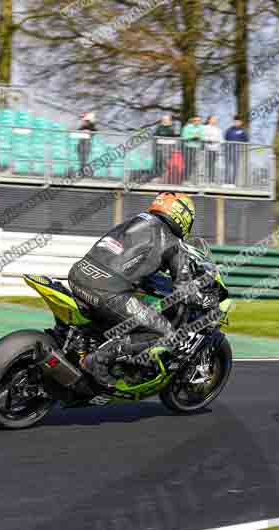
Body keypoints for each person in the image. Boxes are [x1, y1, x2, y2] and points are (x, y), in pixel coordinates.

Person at [68, 192, 203, 388]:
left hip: (79, 274)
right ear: (182, 216)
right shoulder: (174, 243)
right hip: (106, 292)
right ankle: (97, 361)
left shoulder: (136, 220)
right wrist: (201, 299)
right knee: (165, 332)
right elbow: (184, 288)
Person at [224, 116, 249, 186]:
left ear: (241, 122)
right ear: (234, 122)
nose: (237, 123)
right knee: (227, 166)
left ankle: (233, 183)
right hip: (228, 150)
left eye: (238, 121)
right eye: (235, 121)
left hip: (237, 151)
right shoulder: (229, 130)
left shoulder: (243, 131)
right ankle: (227, 182)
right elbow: (226, 138)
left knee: (235, 167)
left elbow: (246, 140)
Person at [153, 114, 178, 180]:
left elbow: (174, 134)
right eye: (164, 119)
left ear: (169, 120)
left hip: (169, 145)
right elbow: (155, 134)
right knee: (159, 160)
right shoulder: (159, 127)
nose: (165, 121)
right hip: (160, 145)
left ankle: (166, 176)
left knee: (167, 161)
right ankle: (159, 175)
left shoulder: (173, 127)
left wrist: (168, 127)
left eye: (166, 119)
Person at [181, 116, 203, 182]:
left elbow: (203, 136)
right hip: (188, 147)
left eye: (199, 120)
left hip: (197, 148)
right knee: (188, 164)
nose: (197, 122)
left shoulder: (201, 128)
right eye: (196, 120)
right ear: (193, 121)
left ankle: (194, 180)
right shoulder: (187, 127)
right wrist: (193, 136)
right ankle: (185, 179)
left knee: (196, 164)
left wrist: (199, 137)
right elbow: (184, 136)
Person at [202, 115, 223, 183]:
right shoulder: (204, 128)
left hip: (215, 149)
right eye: (213, 119)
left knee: (213, 165)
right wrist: (209, 140)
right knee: (206, 164)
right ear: (209, 120)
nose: (215, 120)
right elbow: (202, 137)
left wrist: (222, 143)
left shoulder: (218, 129)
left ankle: (211, 180)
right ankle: (204, 179)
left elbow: (221, 139)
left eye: (215, 119)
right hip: (207, 148)